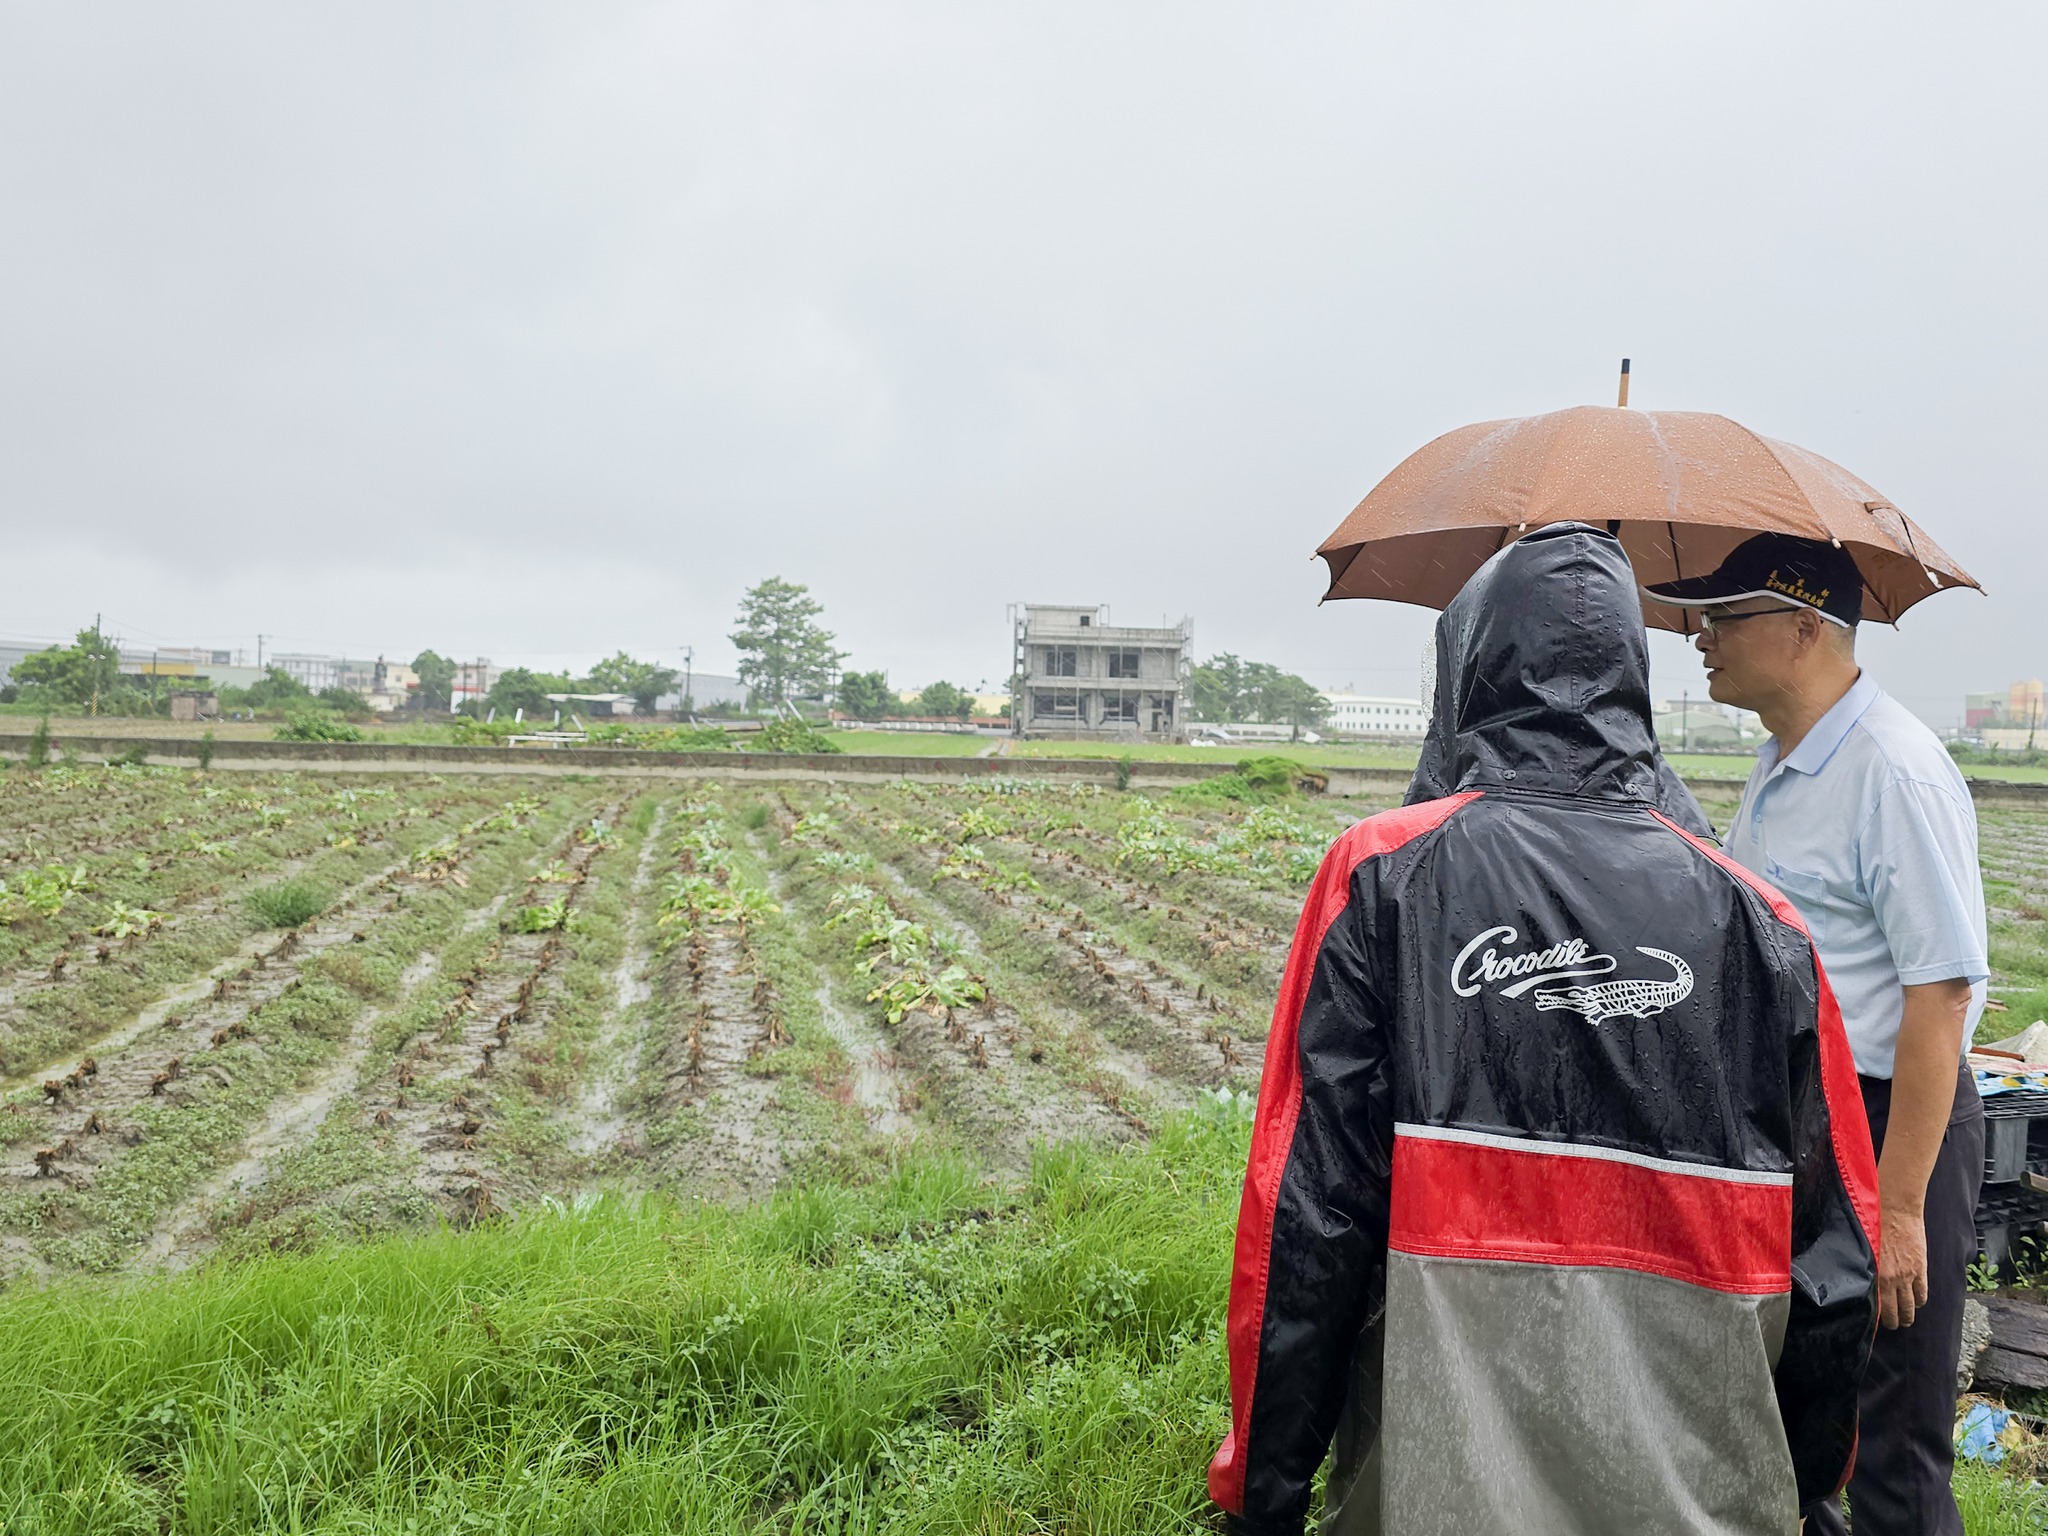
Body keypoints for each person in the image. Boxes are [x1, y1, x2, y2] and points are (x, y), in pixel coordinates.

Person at [1209, 522, 1879, 1536]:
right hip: (1697, 1494)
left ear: (1470, 660)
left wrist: (1264, 1492)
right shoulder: (1760, 923)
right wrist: (1808, 1489)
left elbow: (1305, 1211)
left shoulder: (1381, 876)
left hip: (1434, 1482)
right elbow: (1834, 1257)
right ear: (1629, 674)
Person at [1646, 533, 1989, 1536]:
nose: (1699, 639)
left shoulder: (1892, 772)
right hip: (1806, 1119)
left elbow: (1937, 996)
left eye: (1722, 619)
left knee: (1891, 1432)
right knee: (1809, 1416)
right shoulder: (1779, 761)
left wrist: (1895, 1212)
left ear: (1802, 627)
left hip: (1888, 1124)